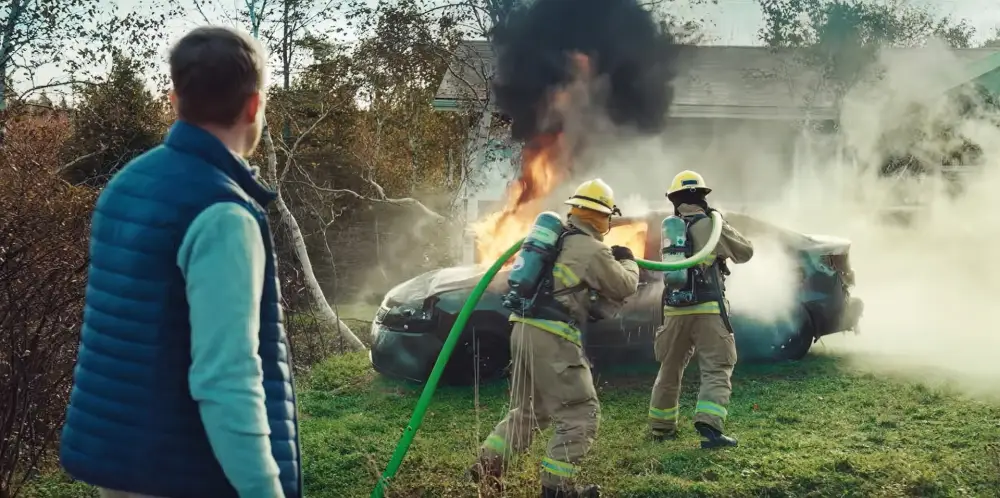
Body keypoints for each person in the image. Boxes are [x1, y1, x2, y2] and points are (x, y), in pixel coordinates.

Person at [59, 26, 300, 498]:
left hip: (124, 466)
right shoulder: (223, 214)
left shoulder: (127, 184)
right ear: (253, 106)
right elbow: (226, 379)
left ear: (175, 99)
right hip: (191, 473)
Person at [468, 179, 640, 498]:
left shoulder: (554, 239)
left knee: (528, 410)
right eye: (608, 216)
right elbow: (624, 285)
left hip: (522, 328)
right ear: (600, 216)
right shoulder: (591, 248)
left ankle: (489, 464)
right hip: (552, 336)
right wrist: (628, 259)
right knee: (580, 413)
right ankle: (557, 489)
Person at [647, 170, 754, 449]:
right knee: (717, 366)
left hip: (674, 310)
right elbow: (746, 252)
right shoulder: (713, 225)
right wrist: (722, 225)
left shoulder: (670, 230)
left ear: (674, 199)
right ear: (703, 197)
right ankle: (710, 423)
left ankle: (661, 426)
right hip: (707, 310)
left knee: (669, 368)